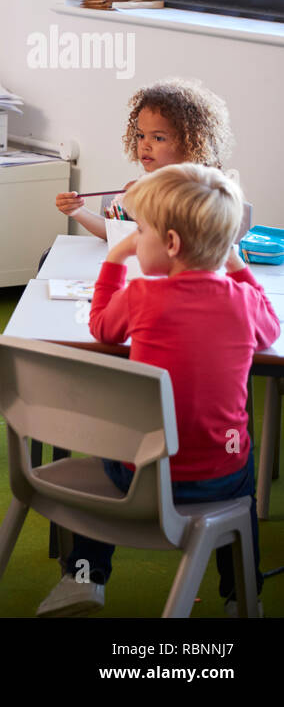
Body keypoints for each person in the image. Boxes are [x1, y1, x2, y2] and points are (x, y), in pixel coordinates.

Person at [37, 163, 277, 617]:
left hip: (141, 474)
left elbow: (103, 328)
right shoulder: (244, 302)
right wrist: (238, 265)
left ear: (169, 244)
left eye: (138, 230)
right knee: (243, 491)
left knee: (111, 447)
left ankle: (84, 578)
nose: (132, 237)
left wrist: (113, 260)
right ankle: (242, 595)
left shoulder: (143, 296)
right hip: (220, 474)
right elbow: (269, 331)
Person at [54, 78, 233, 239]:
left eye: (158, 138)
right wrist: (78, 211)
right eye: (140, 135)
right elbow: (114, 234)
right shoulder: (136, 189)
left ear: (190, 144)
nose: (145, 145)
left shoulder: (203, 194)